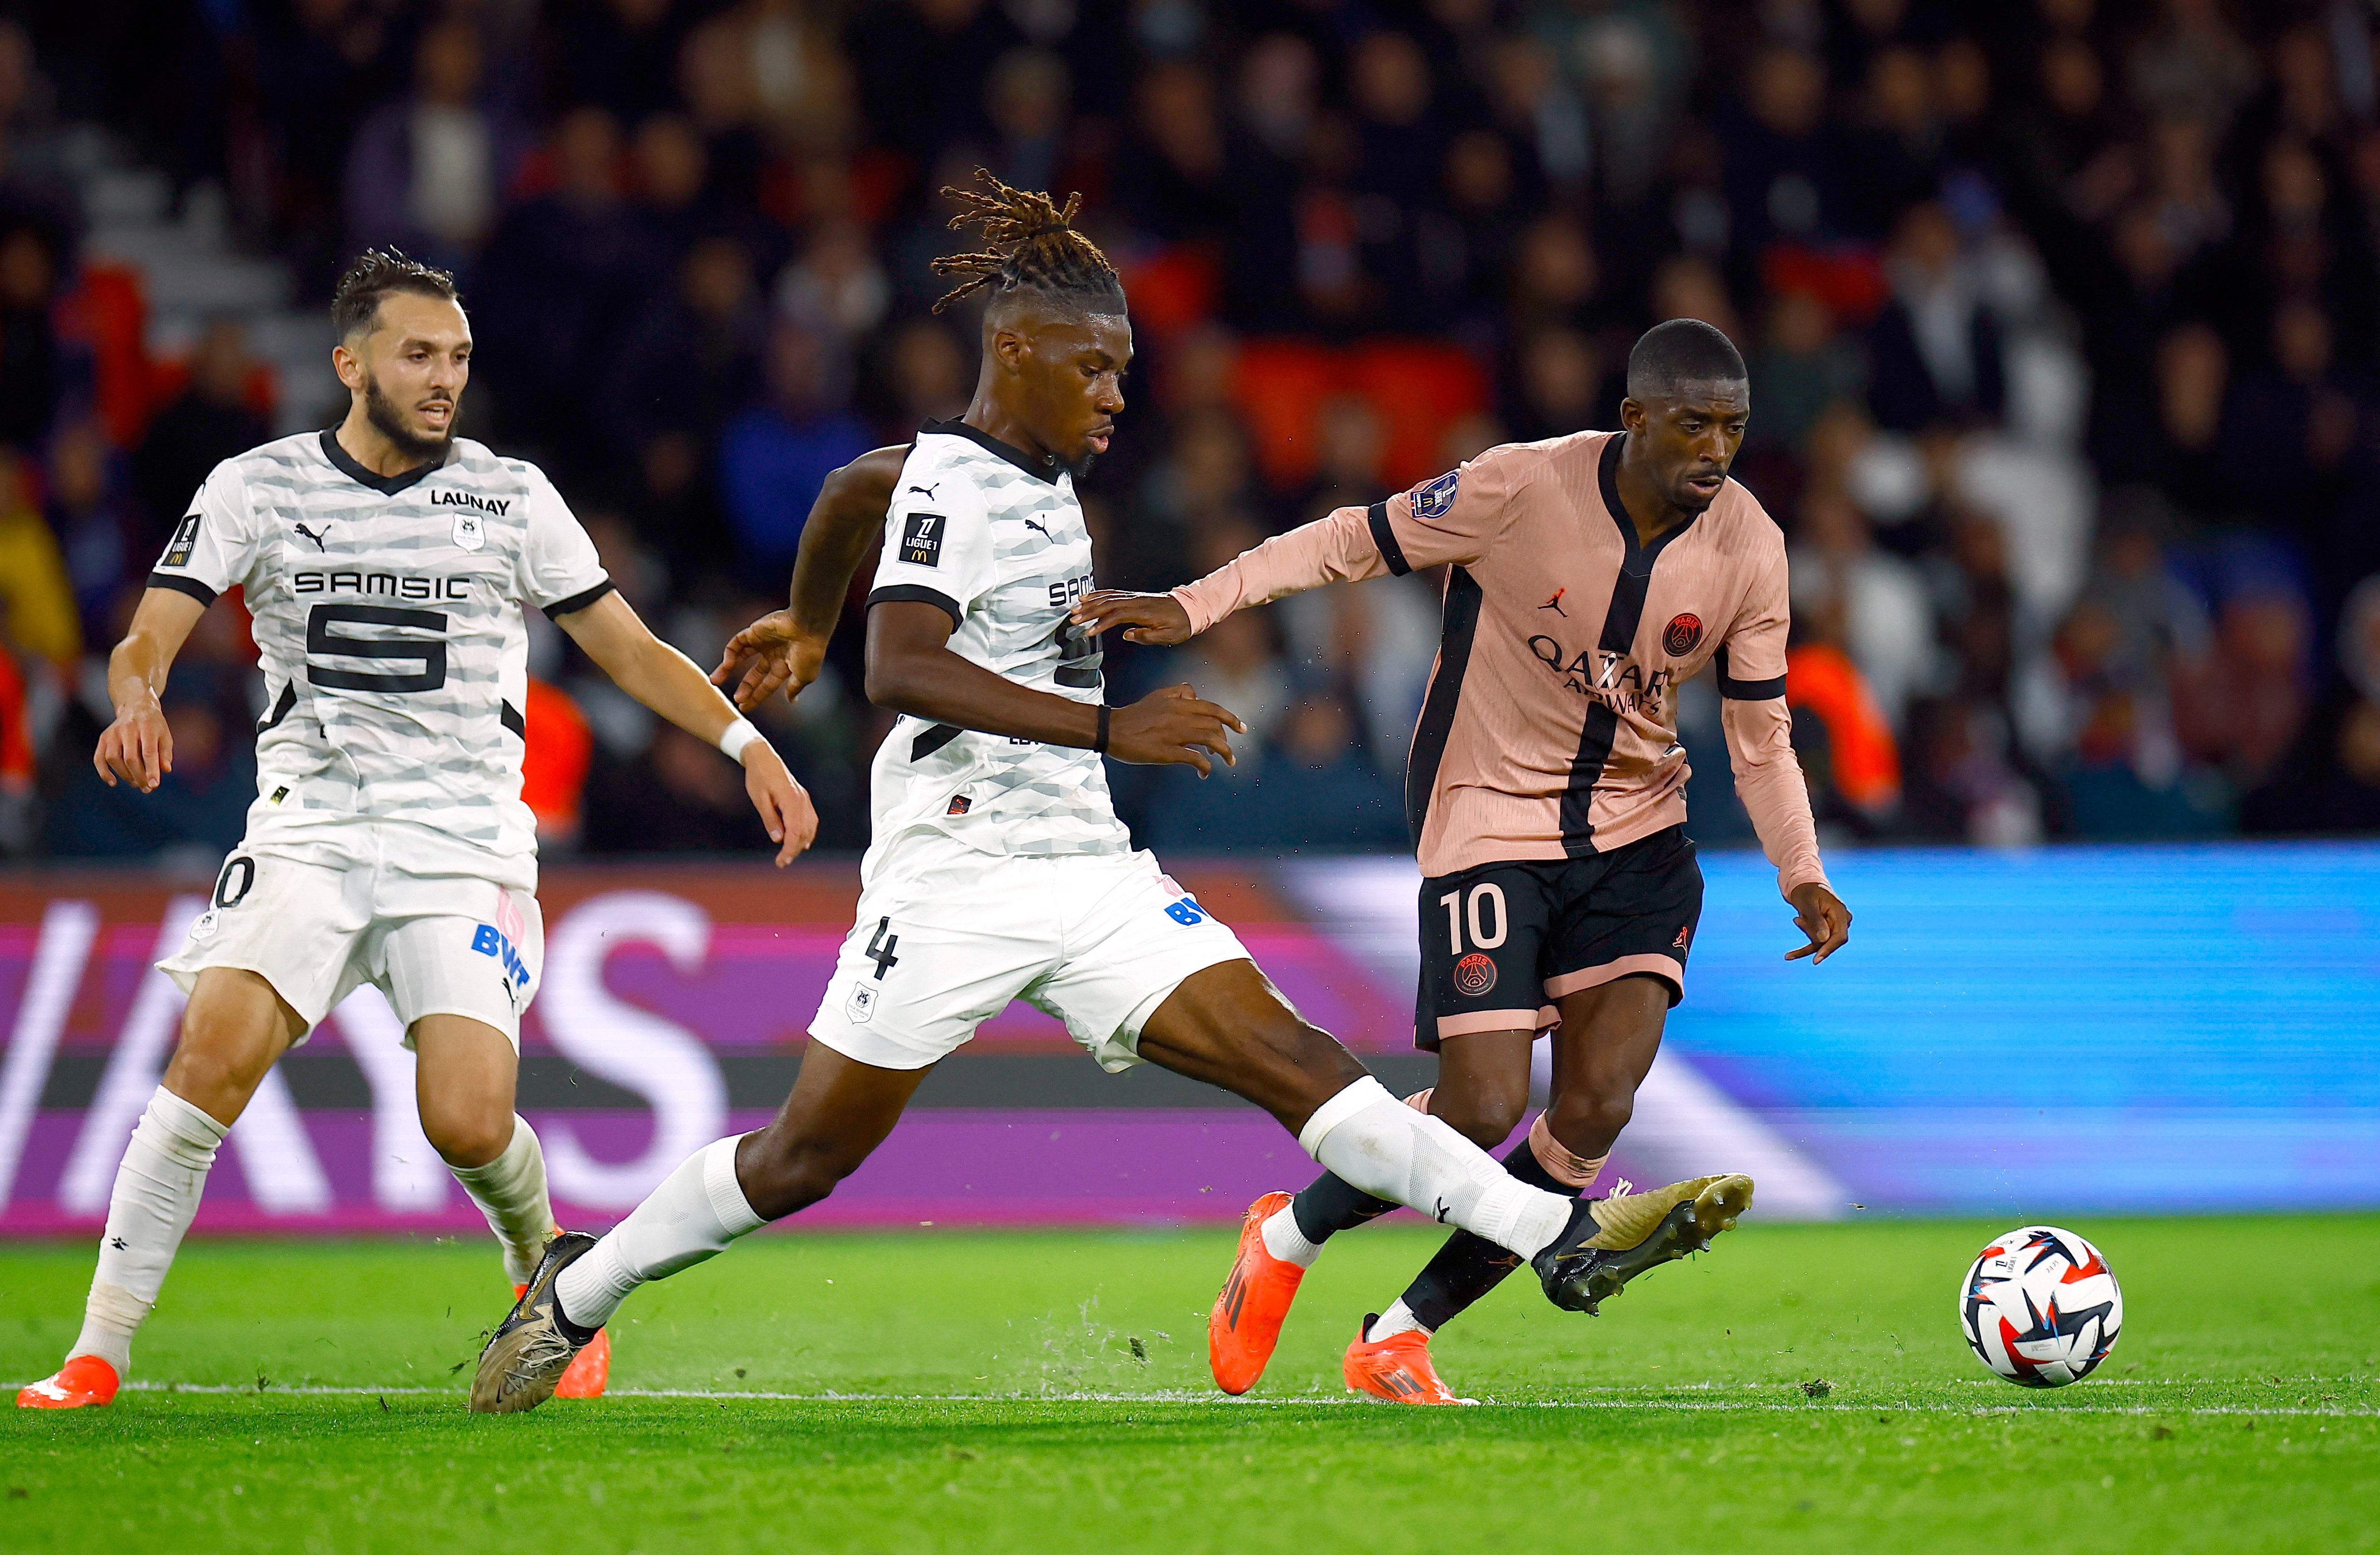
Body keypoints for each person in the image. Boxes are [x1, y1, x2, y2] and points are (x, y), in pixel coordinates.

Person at [469, 174, 1748, 1413]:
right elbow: (901, 664)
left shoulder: (996, 472)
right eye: (1093, 367)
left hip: (1083, 867)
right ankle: (579, 1286)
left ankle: (1559, 1243)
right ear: (1015, 348)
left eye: (1122, 369)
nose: (1117, 394)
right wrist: (1094, 720)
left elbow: (853, 486)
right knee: (804, 1157)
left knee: (1298, 1063)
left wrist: (802, 617)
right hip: (955, 871)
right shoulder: (959, 485)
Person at [16, 250, 817, 1411]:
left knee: (466, 1117)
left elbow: (628, 646)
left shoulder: (511, 496)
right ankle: (98, 1352)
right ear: (350, 363)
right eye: (418, 354)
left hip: (463, 845)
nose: (444, 378)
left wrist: (748, 745)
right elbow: (151, 628)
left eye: (457, 359)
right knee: (208, 1060)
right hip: (311, 830)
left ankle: (548, 1261)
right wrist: (137, 695)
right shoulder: (258, 485)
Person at [1072, 318, 1852, 1405]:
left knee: (1596, 1104)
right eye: (1692, 424)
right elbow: (1345, 539)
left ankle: (1398, 1335)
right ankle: (1289, 1232)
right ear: (1634, 418)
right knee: (1483, 1104)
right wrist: (1196, 602)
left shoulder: (1751, 545)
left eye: (1732, 427)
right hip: (1489, 815)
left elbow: (1761, 730)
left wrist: (1800, 870)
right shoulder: (1516, 489)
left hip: (1639, 830)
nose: (1715, 449)